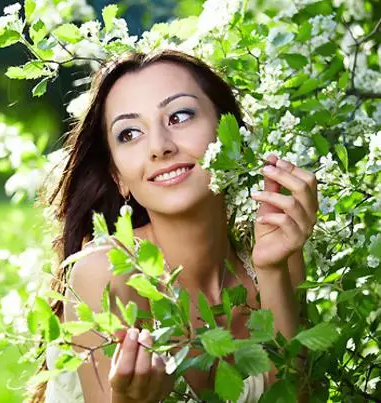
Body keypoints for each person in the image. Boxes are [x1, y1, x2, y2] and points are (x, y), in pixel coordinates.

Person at [35, 49, 318, 402]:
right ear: (116, 176)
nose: (158, 147)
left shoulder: (276, 248)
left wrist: (273, 269)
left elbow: (295, 395)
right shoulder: (107, 276)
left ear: (232, 135)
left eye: (180, 116)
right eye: (129, 133)